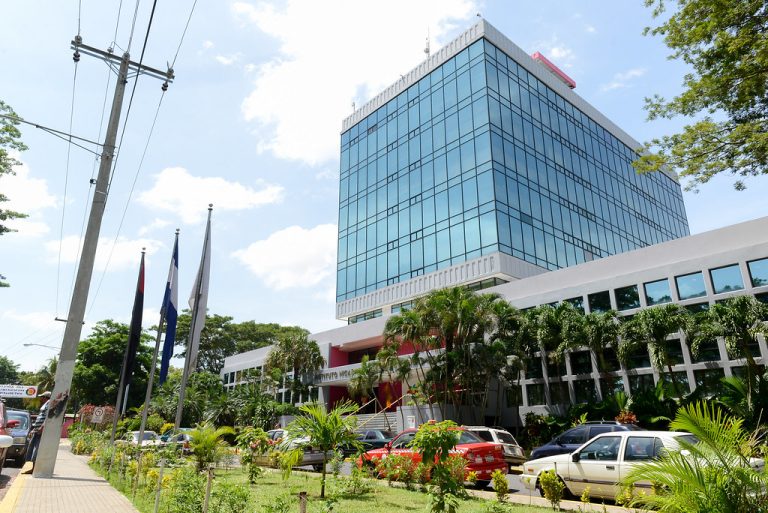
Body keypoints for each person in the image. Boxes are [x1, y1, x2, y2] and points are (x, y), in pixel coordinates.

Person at [26, 391, 50, 463]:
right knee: (31, 447)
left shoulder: (49, 403)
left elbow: (47, 418)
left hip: (40, 430)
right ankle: (29, 464)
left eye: (42, 397)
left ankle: (33, 464)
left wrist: (41, 428)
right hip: (37, 430)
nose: (40, 398)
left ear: (45, 397)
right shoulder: (45, 404)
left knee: (36, 449)